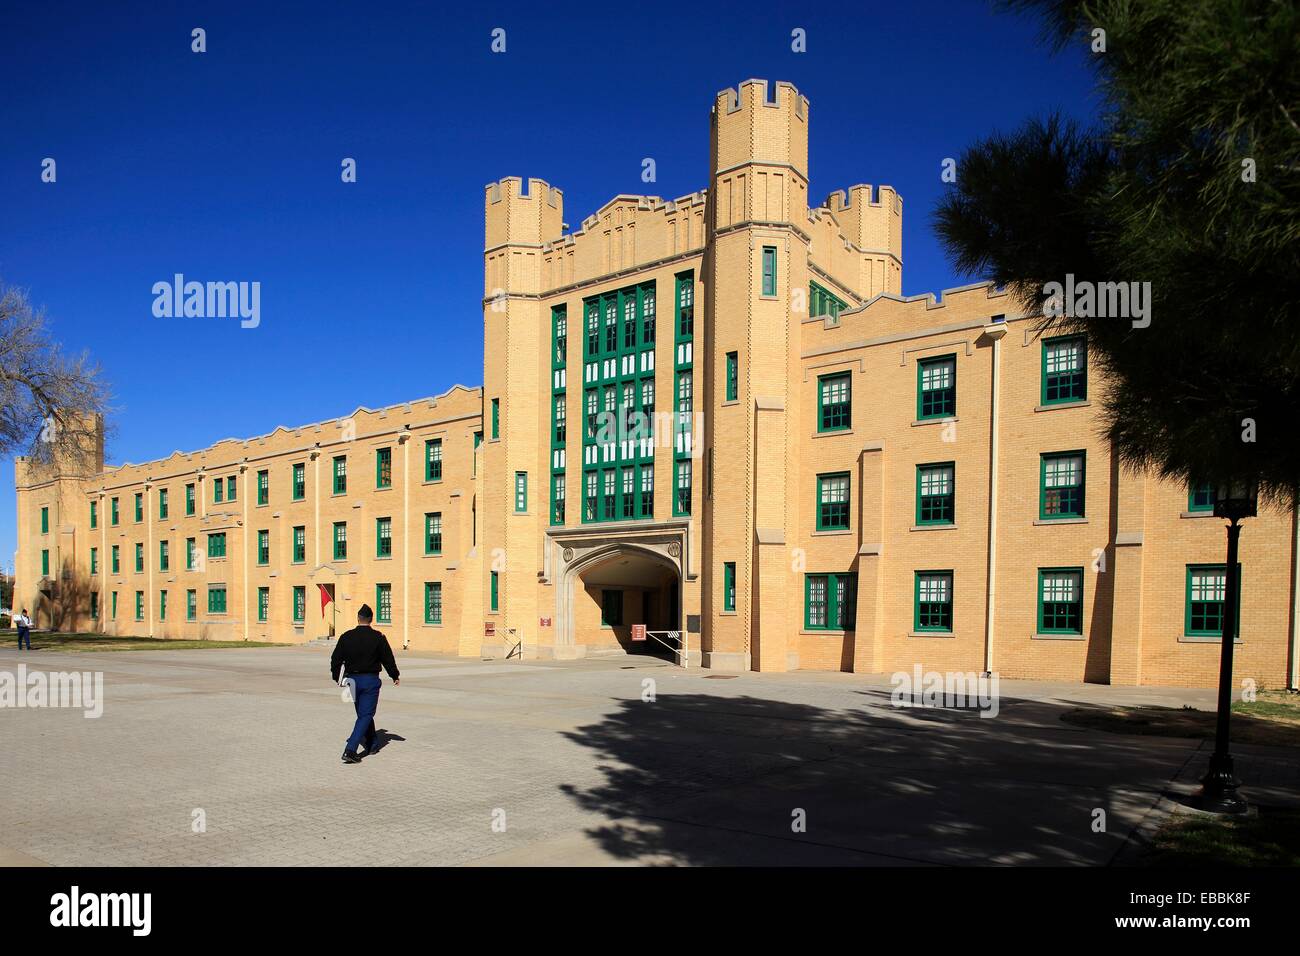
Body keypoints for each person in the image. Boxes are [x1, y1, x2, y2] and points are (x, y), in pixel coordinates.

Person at [329, 604, 399, 764]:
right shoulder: (378, 637)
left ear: (358, 618)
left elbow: (335, 659)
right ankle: (350, 750)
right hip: (370, 680)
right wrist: (394, 674)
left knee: (363, 714)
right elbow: (387, 658)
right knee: (366, 715)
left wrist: (336, 677)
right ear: (371, 619)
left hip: (352, 680)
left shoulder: (346, 636)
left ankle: (373, 743)